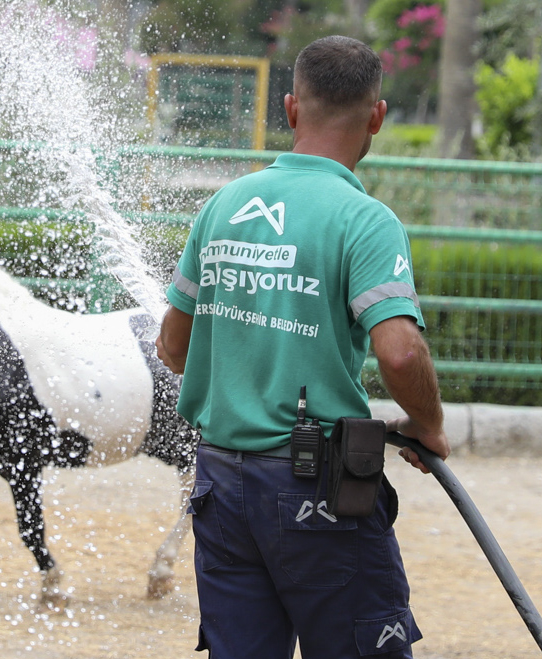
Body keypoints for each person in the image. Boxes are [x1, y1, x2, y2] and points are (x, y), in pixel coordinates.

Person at [155, 35, 451, 659]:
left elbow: (172, 347)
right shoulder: (365, 220)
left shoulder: (221, 207)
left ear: (290, 109)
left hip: (219, 488)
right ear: (377, 115)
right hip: (314, 486)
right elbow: (399, 353)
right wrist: (427, 424)